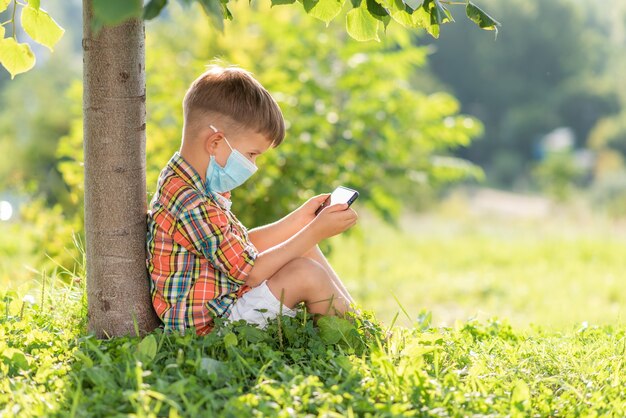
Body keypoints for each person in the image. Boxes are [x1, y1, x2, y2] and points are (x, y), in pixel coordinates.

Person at [146, 65, 358, 335]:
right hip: (212, 328)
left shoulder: (191, 180)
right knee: (307, 273)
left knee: (302, 244)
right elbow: (251, 272)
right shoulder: (191, 202)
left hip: (223, 299)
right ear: (215, 142)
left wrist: (301, 221)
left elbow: (240, 247)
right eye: (251, 154)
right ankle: (356, 340)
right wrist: (316, 230)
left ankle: (357, 321)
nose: (253, 165)